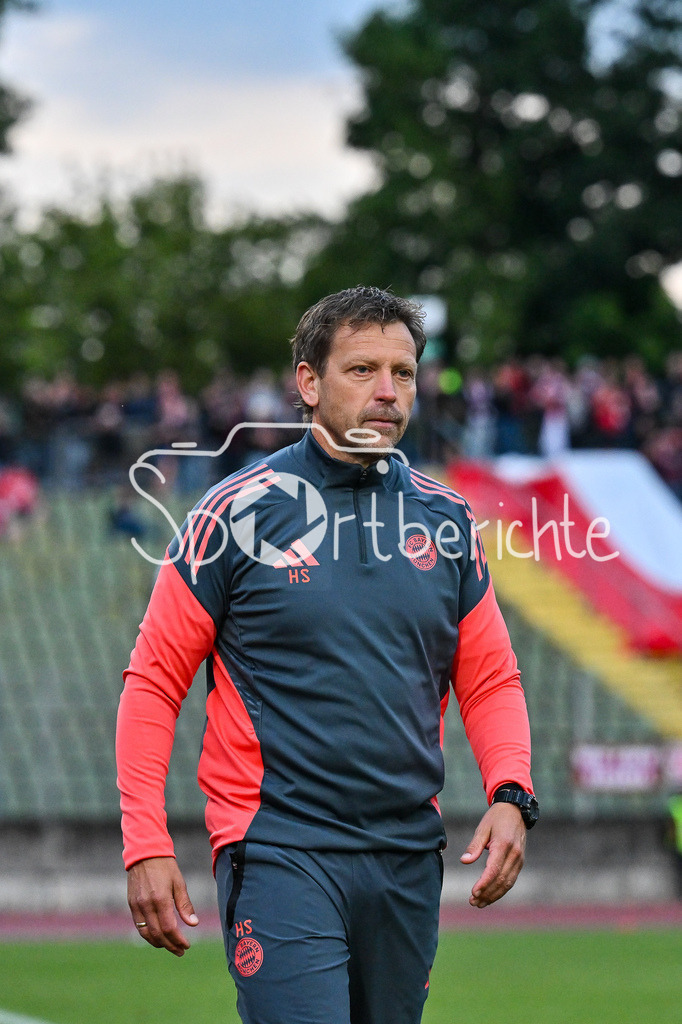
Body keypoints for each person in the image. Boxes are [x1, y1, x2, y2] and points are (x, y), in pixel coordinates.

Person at [116, 285, 537, 1024]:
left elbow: (491, 677)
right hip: (280, 847)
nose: (387, 392)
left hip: (407, 853)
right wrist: (145, 837)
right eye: (362, 370)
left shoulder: (446, 520)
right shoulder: (235, 513)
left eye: (403, 373)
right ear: (308, 384)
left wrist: (511, 791)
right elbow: (153, 682)